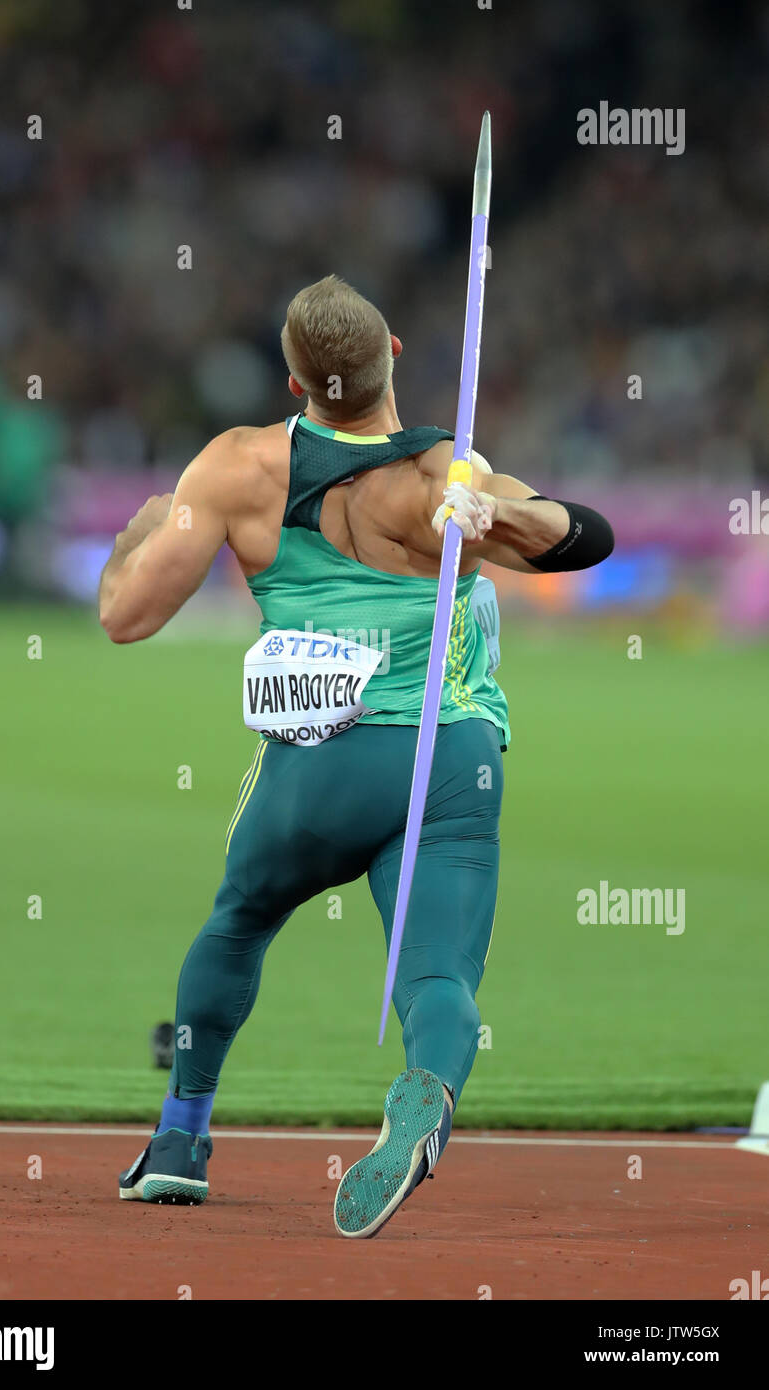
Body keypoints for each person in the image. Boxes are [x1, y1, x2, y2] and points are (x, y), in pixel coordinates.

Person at [99, 275, 613, 1238]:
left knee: (240, 921)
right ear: (396, 360)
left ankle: (178, 1142)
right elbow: (586, 540)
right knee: (436, 980)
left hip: (315, 767)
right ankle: (424, 1093)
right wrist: (498, 514)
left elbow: (127, 618)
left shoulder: (234, 467)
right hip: (448, 759)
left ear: (295, 383)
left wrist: (128, 545)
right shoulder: (441, 477)